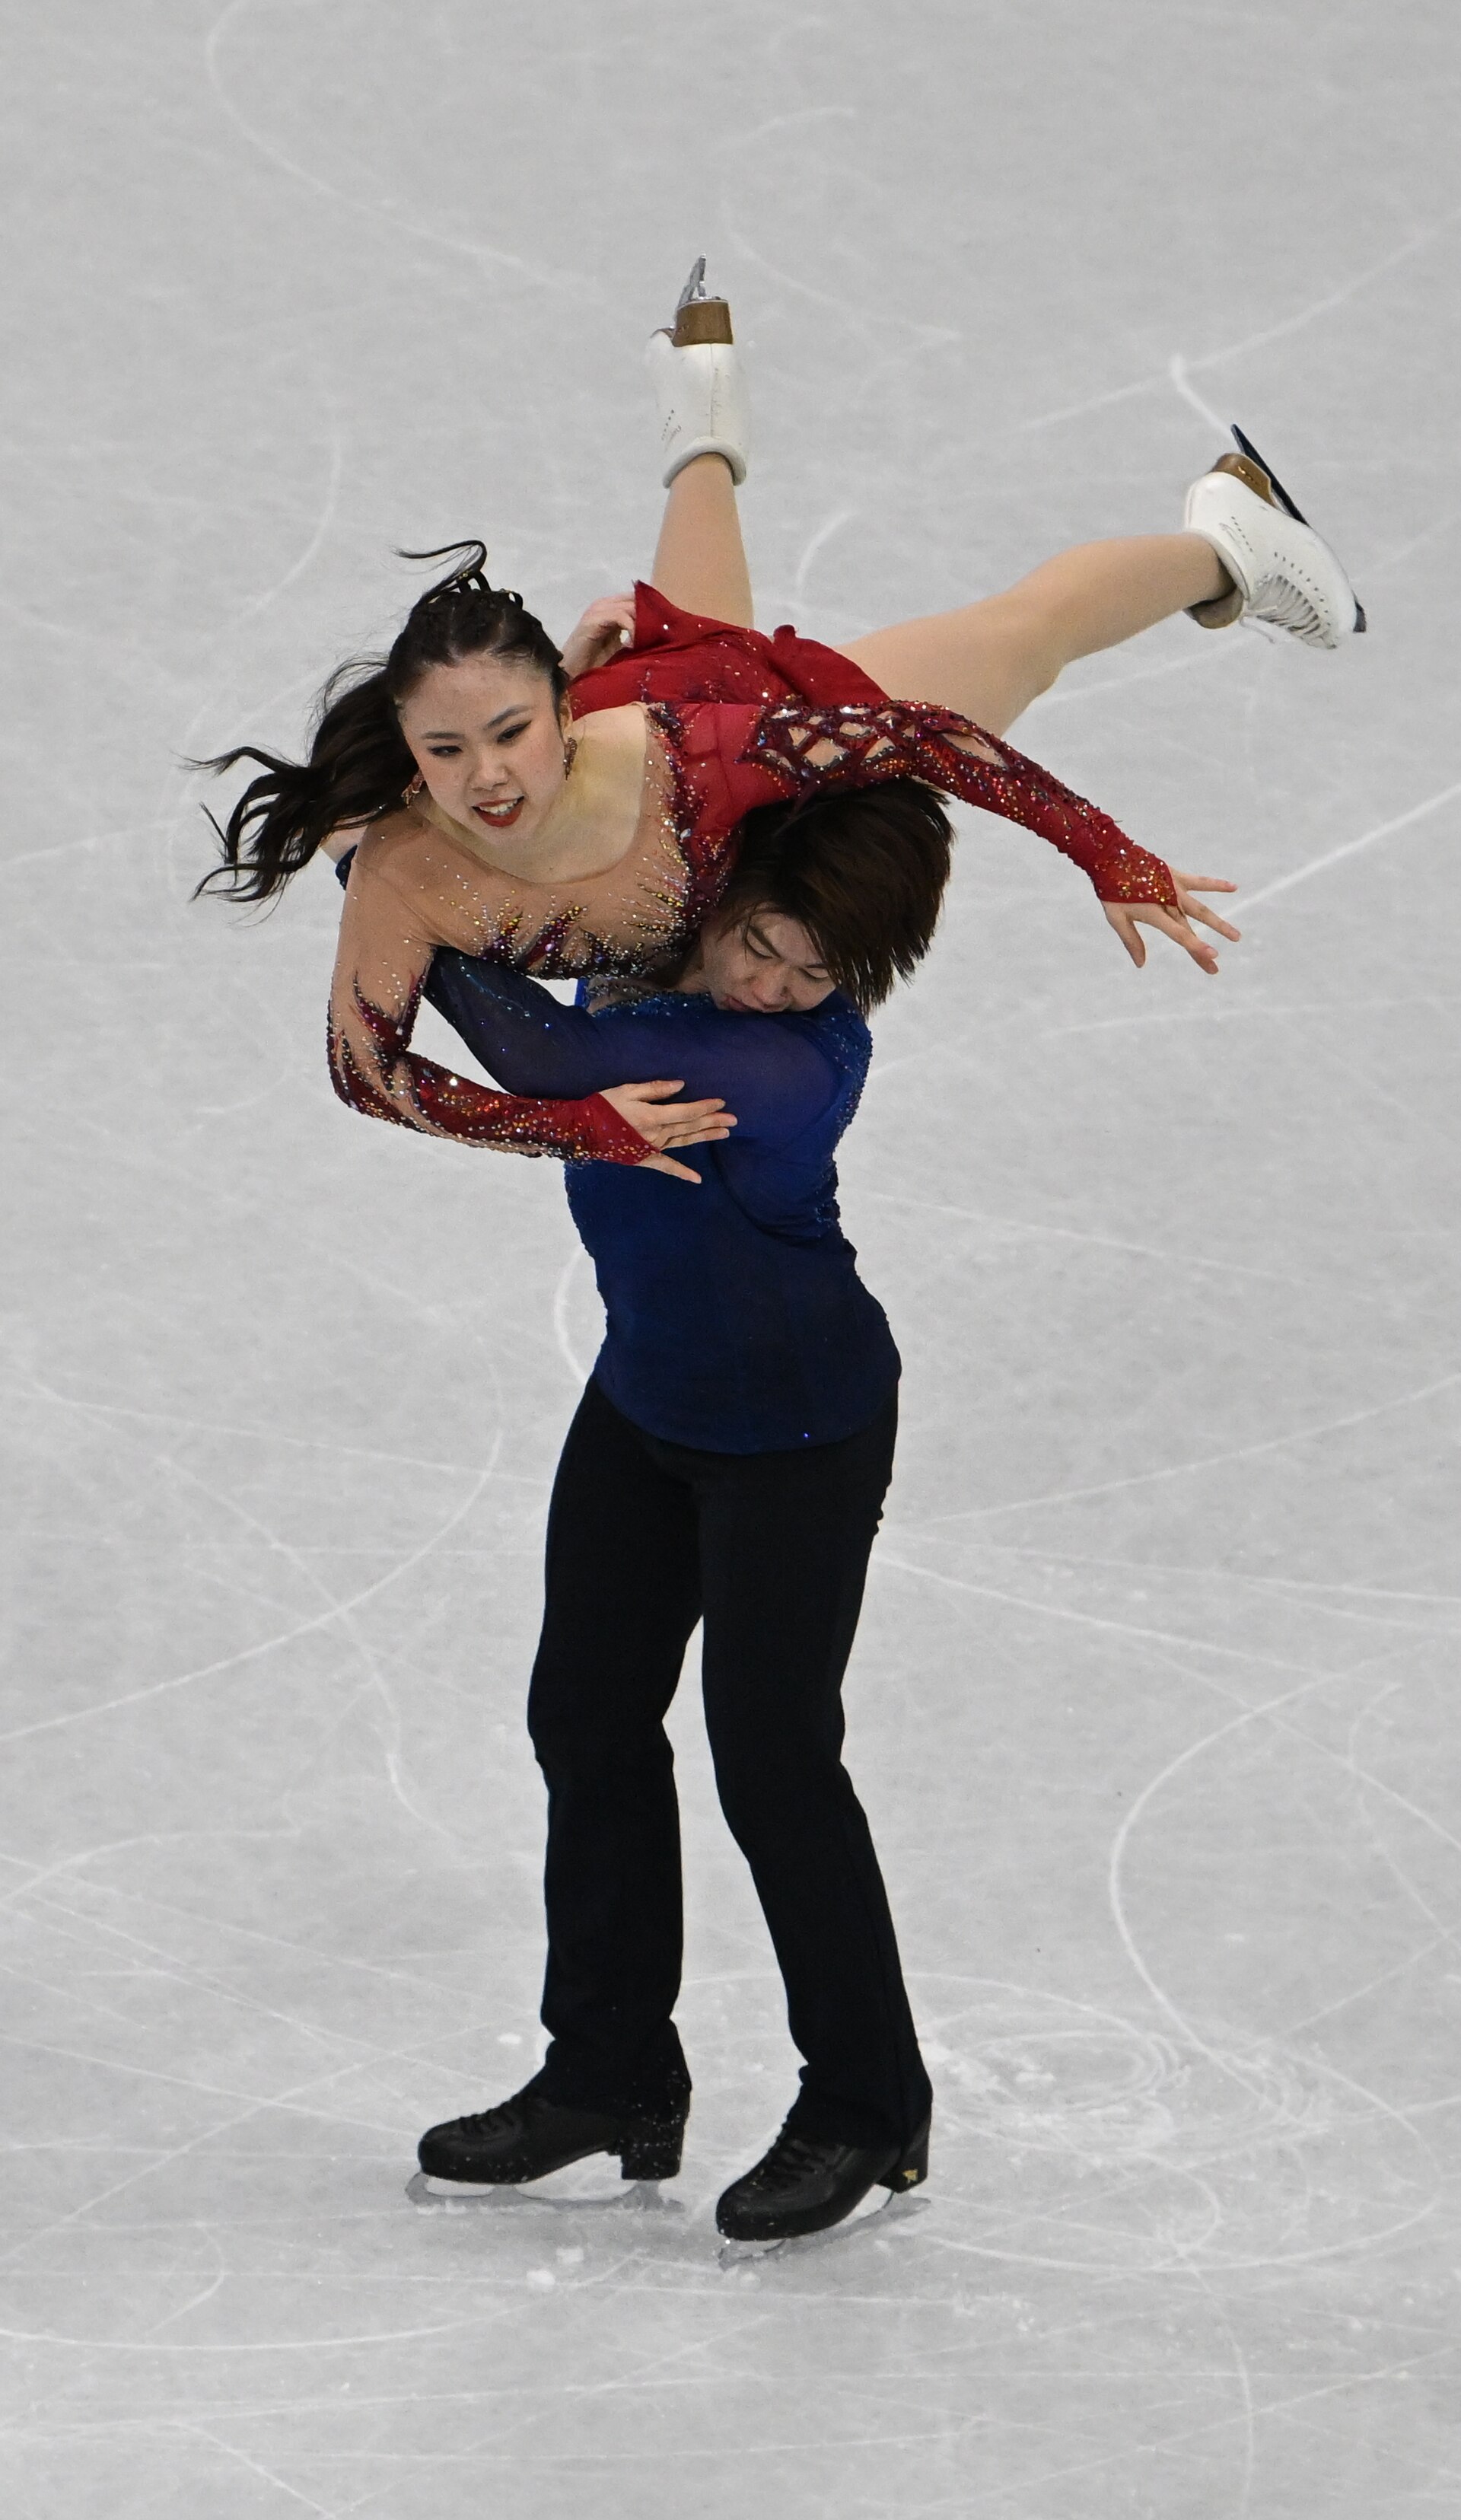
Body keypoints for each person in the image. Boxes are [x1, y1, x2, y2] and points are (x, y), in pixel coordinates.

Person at [195, 263, 1364, 1170]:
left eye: (507, 733)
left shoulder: (695, 758)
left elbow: (920, 738)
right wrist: (580, 1127)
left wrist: (1104, 852)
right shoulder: (405, 861)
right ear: (411, 757)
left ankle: (1227, 538)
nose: (486, 780)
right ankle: (699, 413)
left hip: (729, 736)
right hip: (640, 715)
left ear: (553, 706)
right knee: (692, 636)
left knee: (1024, 640)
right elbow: (370, 1072)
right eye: (446, 751)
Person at [403, 798, 950, 2242]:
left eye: (814, 973)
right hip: (645, 1400)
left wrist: (376, 868)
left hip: (799, 1434)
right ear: (721, 896)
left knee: (773, 1764)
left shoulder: (780, 1067)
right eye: (766, 944)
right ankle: (608, 2069)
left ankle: (869, 2105)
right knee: (583, 1718)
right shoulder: (642, 952)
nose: (773, 986)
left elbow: (542, 1055)